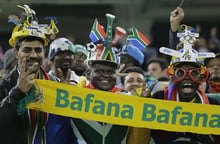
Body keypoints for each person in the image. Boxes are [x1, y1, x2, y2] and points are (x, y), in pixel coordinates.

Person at [0, 5, 58, 143]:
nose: (33, 55)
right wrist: (18, 92)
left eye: (38, 50)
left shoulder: (54, 83)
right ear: (16, 53)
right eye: (27, 50)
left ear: (44, 53)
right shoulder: (3, 84)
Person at [150, 32, 220, 143]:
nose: (187, 78)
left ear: (202, 77)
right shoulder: (158, 99)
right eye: (180, 73)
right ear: (172, 77)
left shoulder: (214, 105)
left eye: (194, 73)